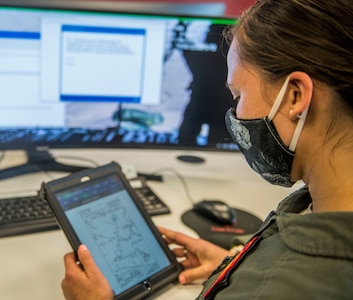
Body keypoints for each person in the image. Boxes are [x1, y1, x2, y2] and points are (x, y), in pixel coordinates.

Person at [61, 0, 353, 299]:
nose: (236, 111)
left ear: (295, 96)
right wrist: (234, 265)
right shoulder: (317, 201)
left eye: (238, 95)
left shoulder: (280, 289)